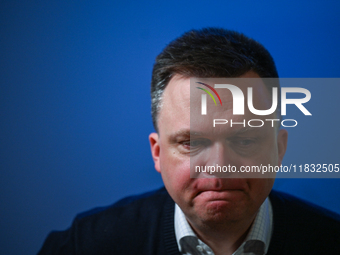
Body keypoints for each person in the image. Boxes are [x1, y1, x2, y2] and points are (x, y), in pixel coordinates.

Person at [38, 28, 340, 255]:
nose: (220, 169)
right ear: (157, 153)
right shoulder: (84, 247)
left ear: (279, 149)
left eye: (245, 140)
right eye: (191, 143)